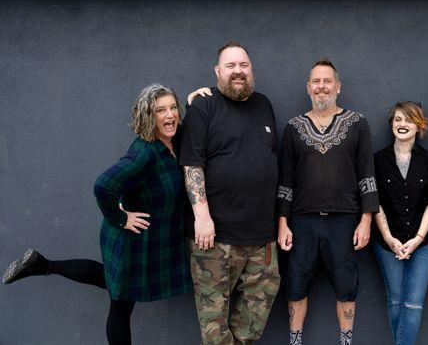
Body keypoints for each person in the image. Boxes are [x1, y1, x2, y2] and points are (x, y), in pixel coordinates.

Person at [2, 83, 192, 345]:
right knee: (121, 305)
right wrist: (122, 217)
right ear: (149, 116)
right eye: (161, 110)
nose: (170, 115)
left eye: (173, 107)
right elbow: (104, 185)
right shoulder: (144, 153)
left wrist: (195, 101)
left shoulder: (172, 140)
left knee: (111, 283)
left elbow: (190, 127)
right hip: (131, 242)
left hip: (149, 241)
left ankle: (41, 265)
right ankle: (42, 265)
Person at [179, 41, 280, 345]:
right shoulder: (204, 106)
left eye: (244, 65)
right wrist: (202, 218)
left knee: (256, 313)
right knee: (214, 322)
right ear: (217, 71)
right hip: (215, 236)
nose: (238, 71)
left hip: (262, 237)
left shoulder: (264, 104)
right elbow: (192, 166)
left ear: (251, 69)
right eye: (231, 66)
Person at [277, 58, 379, 345]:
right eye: (316, 82)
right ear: (308, 88)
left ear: (338, 86)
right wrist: (283, 223)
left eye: (327, 81)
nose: (322, 87)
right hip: (302, 222)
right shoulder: (294, 127)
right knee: (296, 287)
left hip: (344, 221)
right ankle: (294, 342)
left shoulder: (357, 123)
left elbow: (366, 175)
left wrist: (366, 220)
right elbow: (286, 180)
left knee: (346, 288)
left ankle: (345, 341)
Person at [372, 101, 428, 345]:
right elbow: (375, 202)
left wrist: (418, 239)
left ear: (419, 125)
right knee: (395, 301)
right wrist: (390, 238)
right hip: (386, 243)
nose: (403, 124)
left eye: (409, 120)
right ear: (391, 124)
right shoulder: (378, 160)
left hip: (423, 244)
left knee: (412, 304)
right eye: (398, 119)